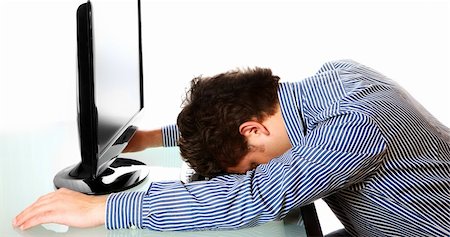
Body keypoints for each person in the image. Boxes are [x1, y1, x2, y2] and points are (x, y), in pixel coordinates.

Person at [13, 60, 450, 236]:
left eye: (253, 163)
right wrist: (150, 139)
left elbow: (252, 197)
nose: (255, 171)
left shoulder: (354, 131)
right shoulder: (336, 76)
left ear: (254, 131)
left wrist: (102, 210)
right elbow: (230, 115)